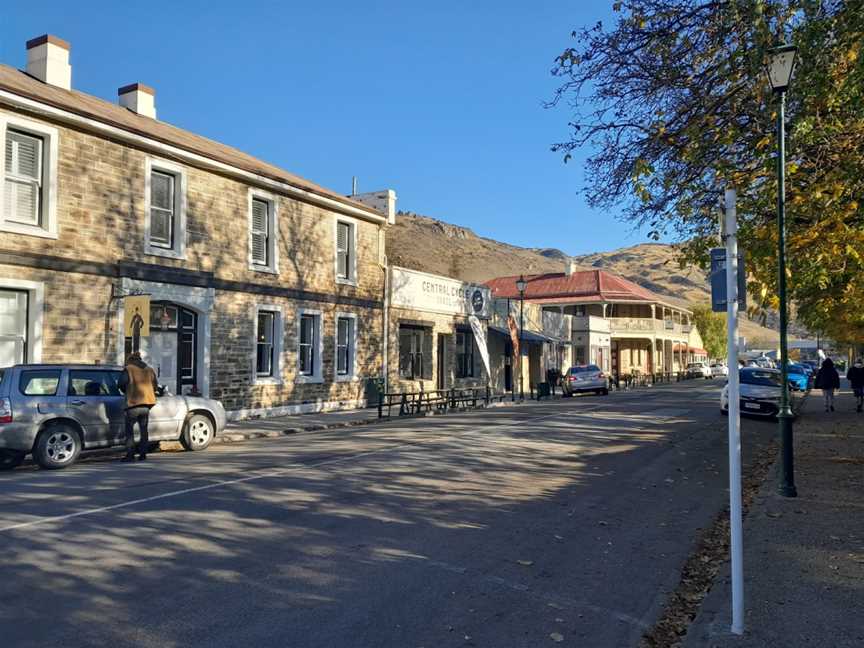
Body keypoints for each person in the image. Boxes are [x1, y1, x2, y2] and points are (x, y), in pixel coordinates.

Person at [118, 351, 159, 461]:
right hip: (146, 404)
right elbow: (155, 386)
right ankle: (143, 454)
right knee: (144, 430)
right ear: (140, 359)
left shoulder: (129, 369)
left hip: (133, 403)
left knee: (129, 431)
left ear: (130, 360)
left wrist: (126, 391)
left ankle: (130, 455)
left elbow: (121, 383)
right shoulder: (149, 369)